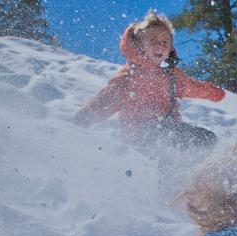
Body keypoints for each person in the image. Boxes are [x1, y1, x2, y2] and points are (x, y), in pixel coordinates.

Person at [73, 11, 226, 150]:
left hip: (170, 133)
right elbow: (104, 101)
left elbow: (194, 87)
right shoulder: (129, 77)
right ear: (139, 44)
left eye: (164, 43)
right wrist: (79, 122)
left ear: (170, 49)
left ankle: (185, 176)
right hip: (139, 137)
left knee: (206, 139)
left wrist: (215, 93)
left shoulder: (173, 77)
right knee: (169, 135)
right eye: (152, 40)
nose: (159, 46)